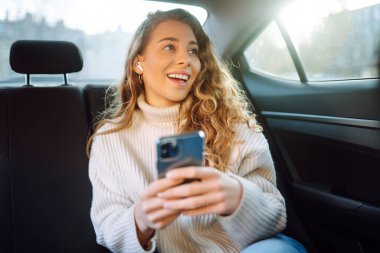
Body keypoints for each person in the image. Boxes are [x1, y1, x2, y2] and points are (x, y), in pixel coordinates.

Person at [87, 8, 307, 253]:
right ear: (139, 62)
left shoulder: (233, 123)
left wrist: (238, 198)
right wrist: (141, 218)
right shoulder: (111, 139)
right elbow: (107, 227)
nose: (186, 59)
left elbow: (274, 214)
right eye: (169, 47)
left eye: (193, 51)